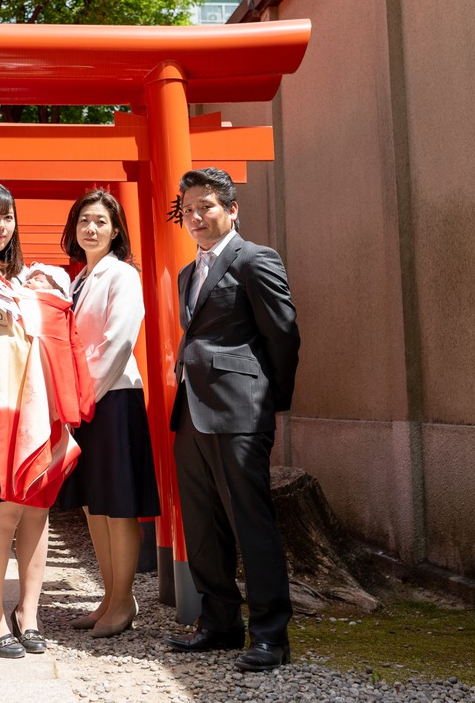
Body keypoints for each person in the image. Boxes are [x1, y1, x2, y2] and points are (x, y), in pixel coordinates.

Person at [0, 183, 92, 659]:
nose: (1, 227)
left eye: (7, 217)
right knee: (6, 507)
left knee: (38, 506)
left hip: (39, 394)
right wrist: (34, 300)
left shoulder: (25, 276)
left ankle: (29, 612)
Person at [165, 167, 300, 672]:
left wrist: (268, 401)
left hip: (241, 410)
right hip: (192, 412)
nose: (196, 217)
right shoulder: (187, 273)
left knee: (251, 523)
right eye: (189, 209)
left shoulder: (254, 259)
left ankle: (271, 635)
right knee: (202, 525)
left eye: (206, 206)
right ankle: (219, 623)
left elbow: (283, 335)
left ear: (231, 209)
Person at [56, 189, 161, 639]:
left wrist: (83, 397)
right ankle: (108, 595)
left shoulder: (122, 275)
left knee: (118, 506)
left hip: (112, 398)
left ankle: (123, 601)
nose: (91, 228)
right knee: (93, 503)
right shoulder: (77, 280)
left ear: (116, 230)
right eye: (84, 221)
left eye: (100, 221)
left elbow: (119, 342)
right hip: (84, 404)